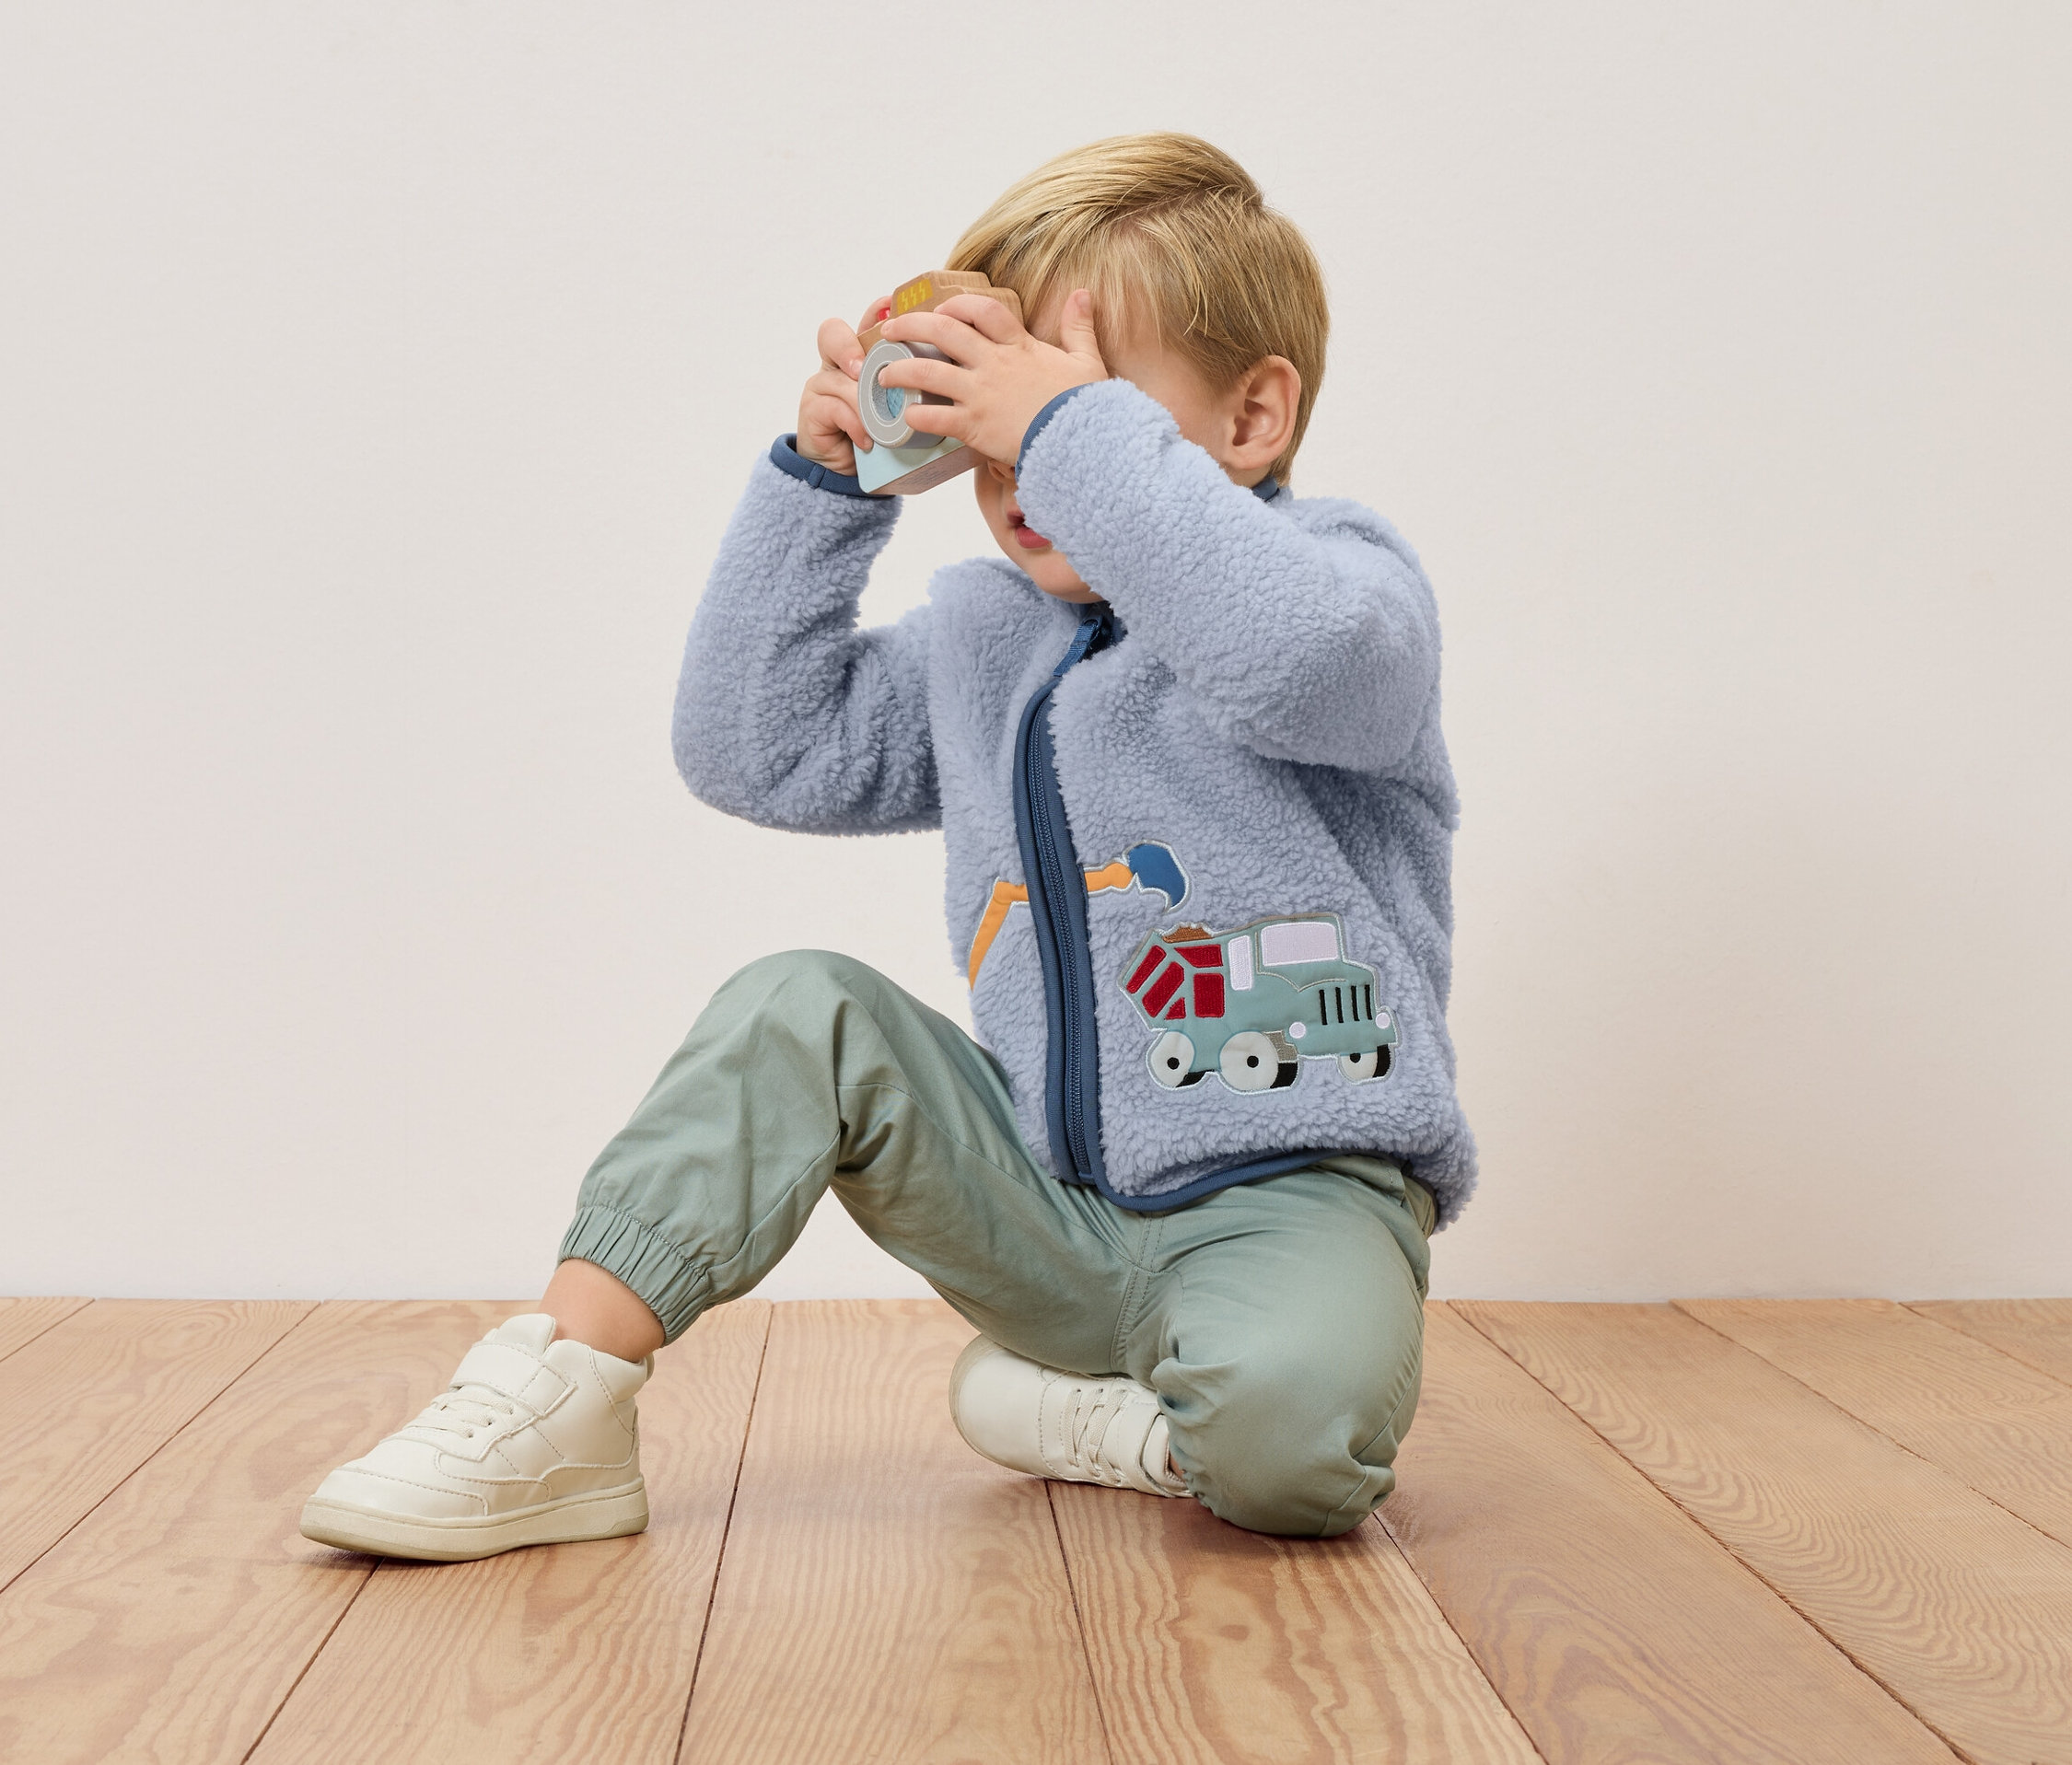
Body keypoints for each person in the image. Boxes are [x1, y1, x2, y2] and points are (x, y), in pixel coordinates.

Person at [300, 133, 1474, 1562]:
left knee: (1298, 1457)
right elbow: (756, 745)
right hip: (1042, 1198)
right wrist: (824, 480)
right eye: (990, 399)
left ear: (1248, 420)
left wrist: (1065, 428)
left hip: (1291, 1197)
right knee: (800, 1008)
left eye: (1067, 396)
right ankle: (563, 1386)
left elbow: (1287, 658)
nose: (1015, 447)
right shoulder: (989, 641)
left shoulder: (1346, 590)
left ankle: (1123, 1419)